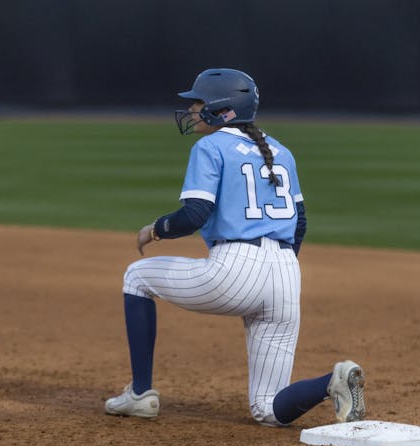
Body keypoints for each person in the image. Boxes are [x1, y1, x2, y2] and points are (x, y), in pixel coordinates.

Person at [105, 68, 365, 427]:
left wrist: (156, 229)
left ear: (221, 109)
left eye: (197, 103)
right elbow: (300, 222)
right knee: (268, 409)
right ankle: (332, 381)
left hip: (235, 268)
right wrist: (276, 270)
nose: (192, 111)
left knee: (136, 277)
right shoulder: (281, 151)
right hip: (287, 274)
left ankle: (139, 394)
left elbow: (195, 214)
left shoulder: (210, 146)